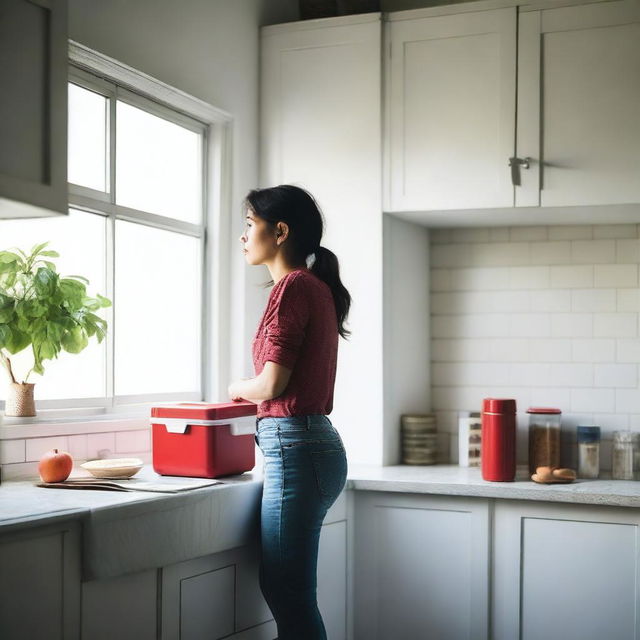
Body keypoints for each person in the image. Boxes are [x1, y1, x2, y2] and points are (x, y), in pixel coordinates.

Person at [228, 184, 351, 639]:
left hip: (298, 450)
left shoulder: (294, 288)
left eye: (248, 225)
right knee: (287, 590)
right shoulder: (311, 286)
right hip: (308, 446)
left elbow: (271, 384)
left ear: (279, 231)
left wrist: (234, 388)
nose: (243, 237)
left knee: (289, 594)